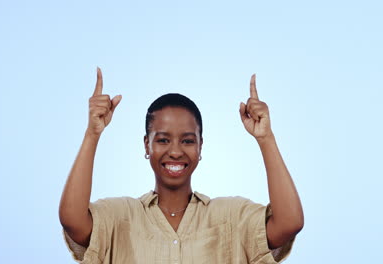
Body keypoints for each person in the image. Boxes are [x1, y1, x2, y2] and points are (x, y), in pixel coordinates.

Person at [59, 68, 304, 263]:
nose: (175, 151)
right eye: (163, 140)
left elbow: (289, 223)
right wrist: (92, 133)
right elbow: (72, 220)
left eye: (187, 140)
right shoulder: (120, 216)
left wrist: (265, 138)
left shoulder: (231, 216)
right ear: (147, 145)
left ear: (200, 147)